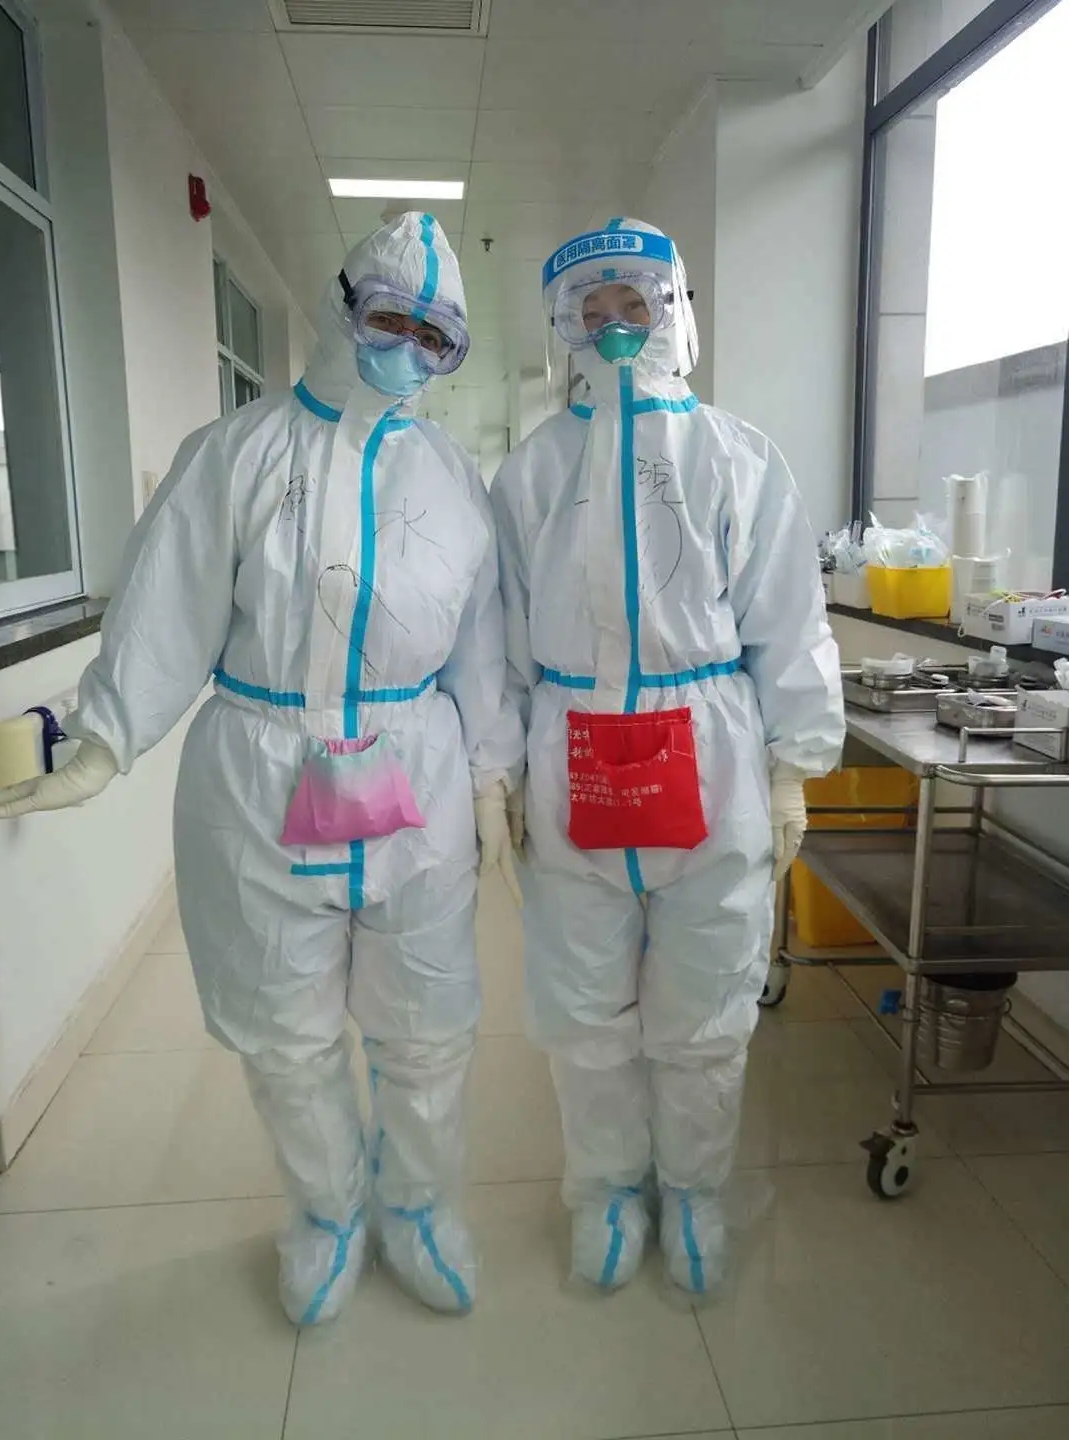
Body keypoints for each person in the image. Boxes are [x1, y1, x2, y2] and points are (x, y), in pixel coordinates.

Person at [0, 213, 522, 1325]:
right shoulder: (235, 453)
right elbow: (164, 606)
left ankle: (417, 1210)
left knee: (427, 1024)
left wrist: (490, 774)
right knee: (286, 1035)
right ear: (343, 306)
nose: (408, 351)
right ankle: (328, 1215)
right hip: (261, 771)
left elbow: (481, 643)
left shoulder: (451, 478)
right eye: (392, 320)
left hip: (412, 772)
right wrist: (104, 737)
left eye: (435, 339)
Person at [491, 218, 844, 1295]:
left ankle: (693, 1192)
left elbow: (789, 618)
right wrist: (502, 766)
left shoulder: (738, 457)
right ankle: (605, 1192)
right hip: (572, 748)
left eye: (633, 306)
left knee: (706, 1002)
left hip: (713, 745)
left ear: (675, 311)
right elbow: (499, 633)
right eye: (591, 312)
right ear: (564, 328)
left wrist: (792, 766)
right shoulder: (534, 470)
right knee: (584, 1004)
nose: (614, 329)